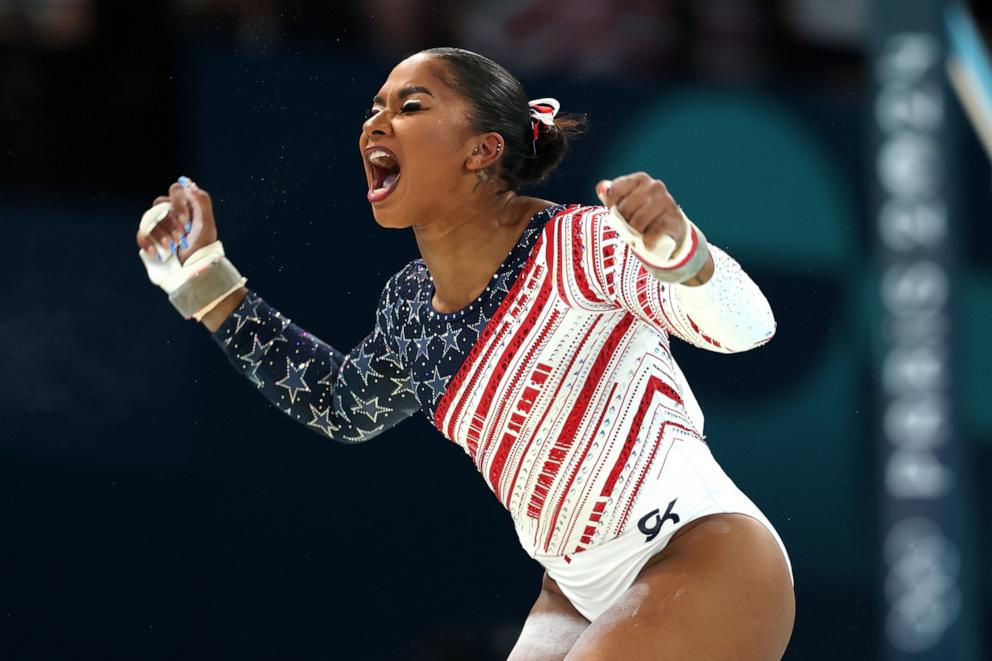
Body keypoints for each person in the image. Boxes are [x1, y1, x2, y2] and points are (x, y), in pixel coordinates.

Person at [135, 47, 795, 660]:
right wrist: (204, 280)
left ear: (483, 149)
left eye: (410, 106)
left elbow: (748, 327)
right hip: (572, 589)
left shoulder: (583, 246)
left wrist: (683, 254)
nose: (377, 123)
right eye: (375, 107)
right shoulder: (409, 309)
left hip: (701, 556)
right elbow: (342, 405)